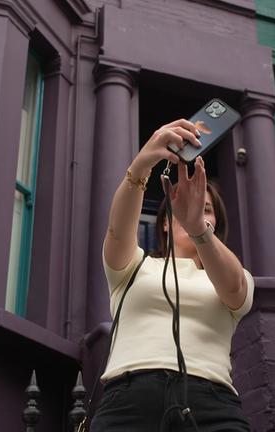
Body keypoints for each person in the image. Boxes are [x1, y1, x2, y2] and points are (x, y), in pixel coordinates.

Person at [90, 119, 253, 431]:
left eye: (206, 208)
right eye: (181, 206)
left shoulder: (227, 271)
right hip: (128, 400)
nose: (193, 211)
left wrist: (197, 229)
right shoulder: (135, 266)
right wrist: (141, 164)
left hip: (211, 402)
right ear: (164, 221)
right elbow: (117, 231)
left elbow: (235, 289)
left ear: (214, 223)